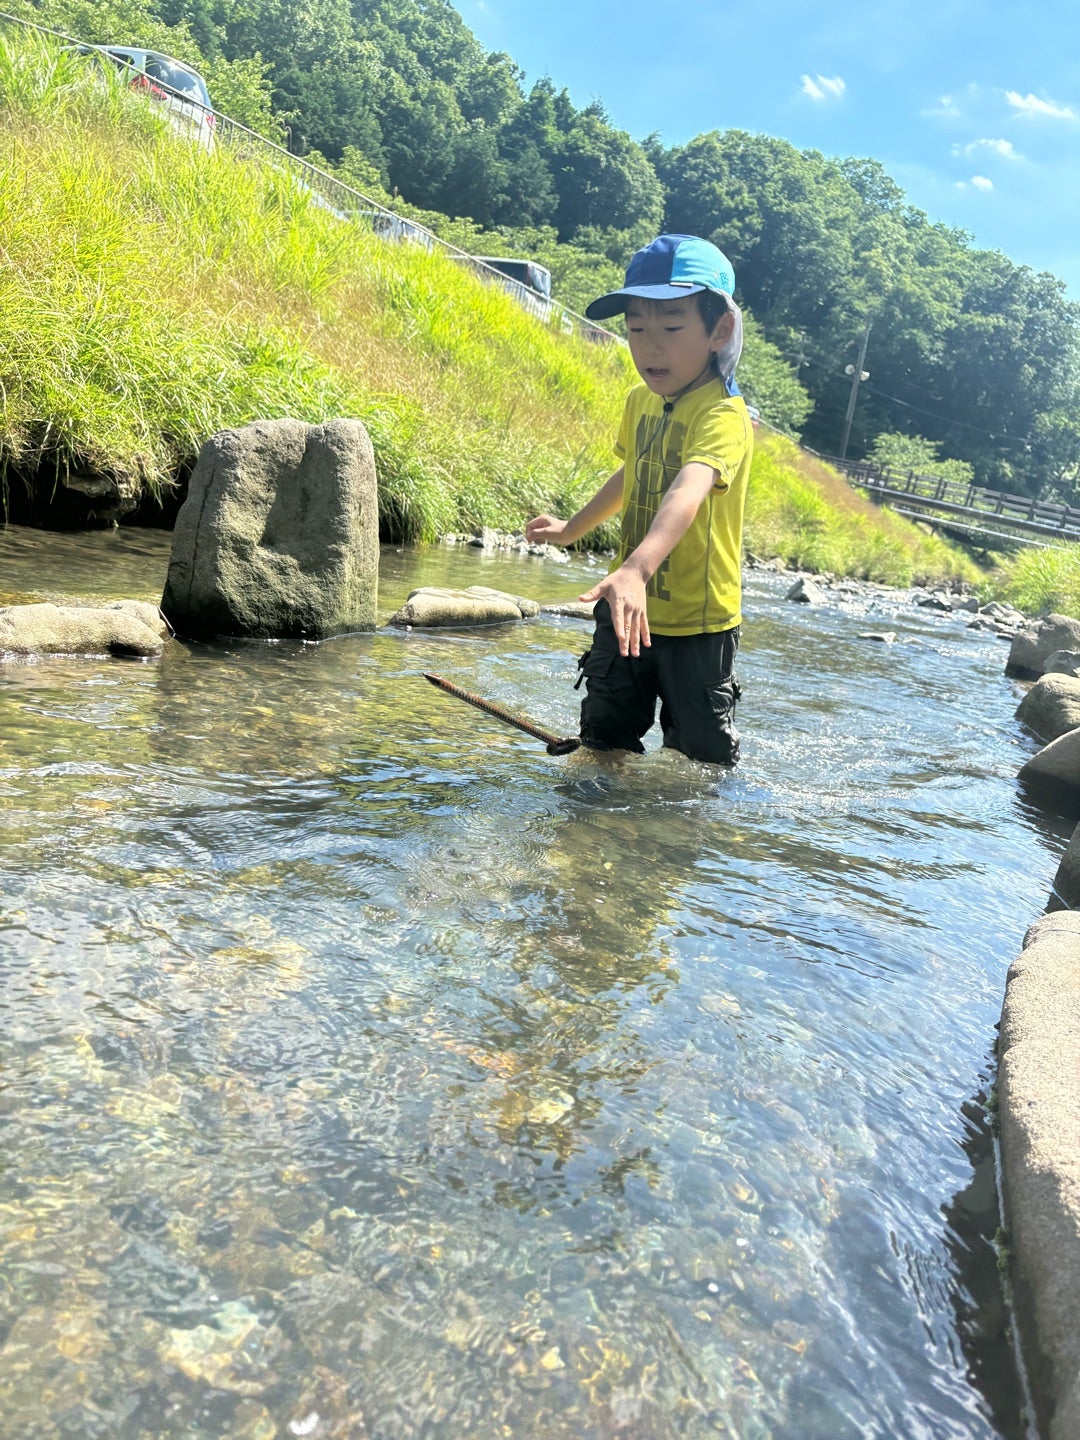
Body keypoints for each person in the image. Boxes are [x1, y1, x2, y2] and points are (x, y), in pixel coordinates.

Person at [525, 233, 753, 765]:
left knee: (700, 760)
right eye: (636, 328)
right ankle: (590, 835)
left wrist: (636, 568)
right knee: (603, 737)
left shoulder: (723, 415)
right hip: (627, 609)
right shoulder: (640, 401)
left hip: (699, 625)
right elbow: (633, 473)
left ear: (720, 329)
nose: (650, 346)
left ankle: (666, 844)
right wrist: (570, 529)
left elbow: (689, 488)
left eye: (672, 328)